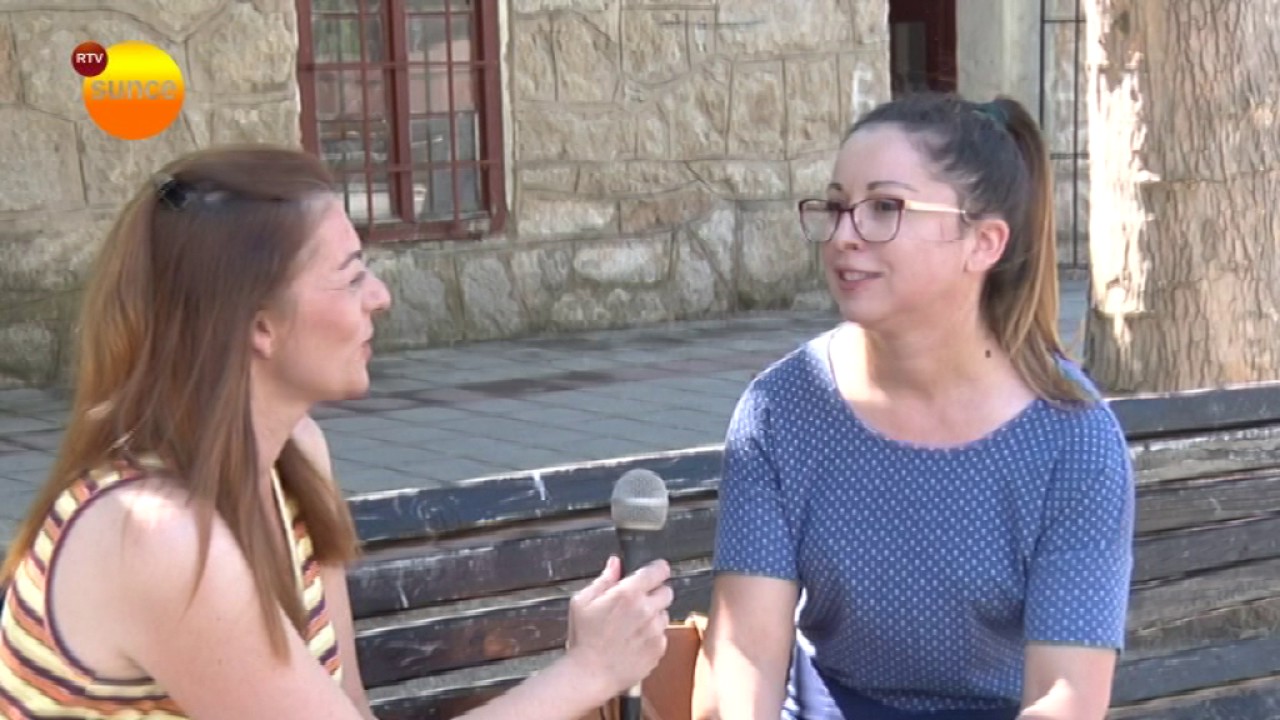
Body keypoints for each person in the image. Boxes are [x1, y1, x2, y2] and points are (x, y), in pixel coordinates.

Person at [0, 145, 673, 719]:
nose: (379, 296)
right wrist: (587, 671)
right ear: (259, 325)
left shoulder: (293, 458)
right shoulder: (156, 535)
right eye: (351, 277)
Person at [701, 93, 1136, 720]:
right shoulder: (782, 409)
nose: (843, 236)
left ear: (983, 243)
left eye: (885, 207)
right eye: (837, 207)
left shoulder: (1072, 438)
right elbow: (746, 657)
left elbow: (1064, 696)